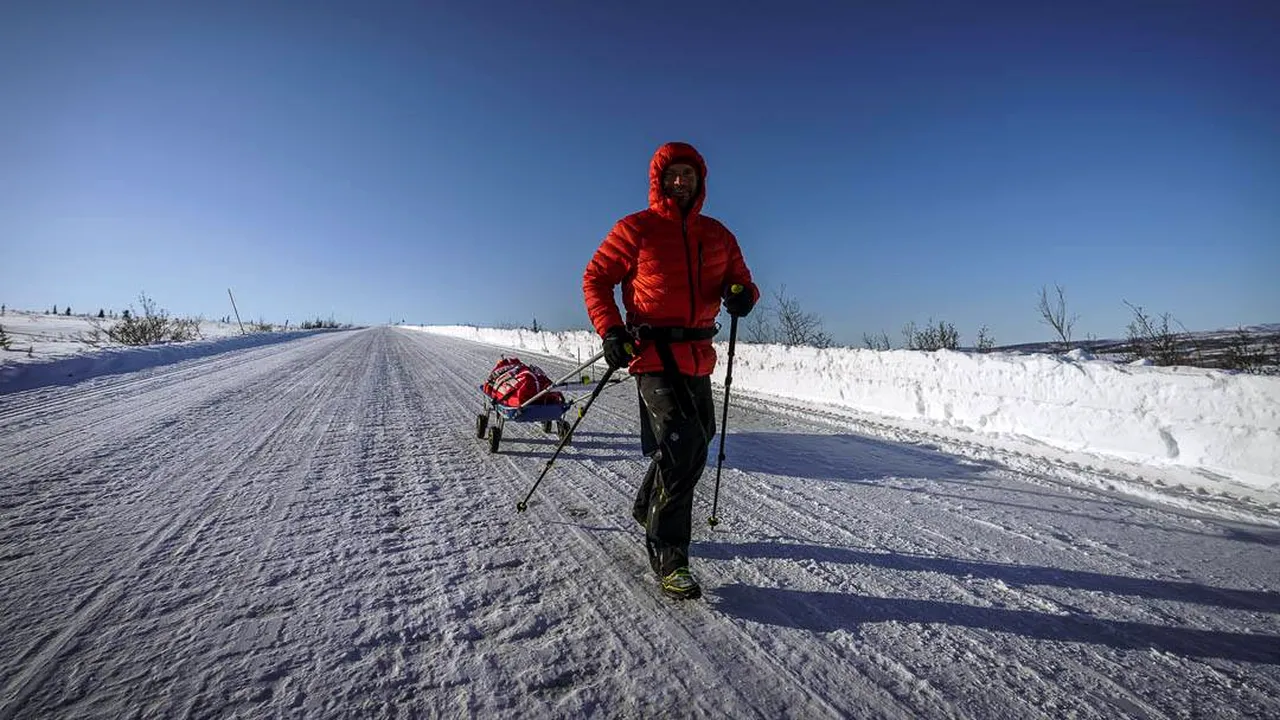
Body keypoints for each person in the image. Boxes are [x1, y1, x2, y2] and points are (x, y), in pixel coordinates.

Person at [583, 141, 758, 600]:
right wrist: (611, 331)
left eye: (689, 175)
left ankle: (647, 505)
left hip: (697, 355)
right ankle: (669, 554)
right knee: (682, 445)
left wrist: (742, 294)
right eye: (672, 175)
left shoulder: (717, 234)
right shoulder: (634, 229)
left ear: (700, 182)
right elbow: (596, 279)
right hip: (651, 355)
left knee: (697, 440)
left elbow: (738, 279)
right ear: (658, 180)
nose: (680, 182)